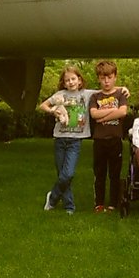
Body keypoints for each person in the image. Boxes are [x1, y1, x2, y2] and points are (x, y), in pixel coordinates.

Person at [38, 66, 95, 214]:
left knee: (68, 174)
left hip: (75, 141)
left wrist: (122, 88)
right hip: (60, 139)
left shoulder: (86, 95)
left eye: (73, 79)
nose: (70, 82)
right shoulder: (60, 94)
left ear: (80, 80)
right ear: (63, 83)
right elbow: (43, 105)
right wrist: (52, 111)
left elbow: (106, 92)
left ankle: (52, 198)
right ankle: (69, 206)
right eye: (67, 80)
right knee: (62, 174)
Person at [88, 60, 129, 212]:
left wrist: (103, 118)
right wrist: (112, 112)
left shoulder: (120, 94)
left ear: (115, 77)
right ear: (98, 78)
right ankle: (99, 203)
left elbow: (123, 112)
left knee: (114, 173)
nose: (106, 81)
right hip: (99, 140)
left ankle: (113, 203)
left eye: (109, 77)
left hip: (115, 139)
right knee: (99, 173)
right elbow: (93, 114)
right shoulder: (95, 97)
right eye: (103, 77)